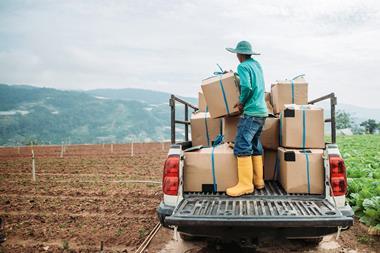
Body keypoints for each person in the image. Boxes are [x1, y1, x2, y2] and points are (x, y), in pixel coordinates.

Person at [225, 41, 268, 197]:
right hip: (262, 112)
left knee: (242, 145)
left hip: (251, 112)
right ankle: (259, 181)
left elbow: (247, 87)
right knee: (255, 144)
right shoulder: (256, 65)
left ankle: (245, 185)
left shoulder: (242, 67)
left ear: (239, 54)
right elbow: (256, 84)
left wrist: (241, 102)